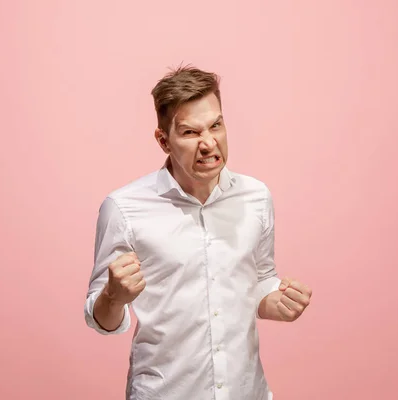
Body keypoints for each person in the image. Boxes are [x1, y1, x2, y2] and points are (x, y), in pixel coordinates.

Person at [84, 65, 312, 400]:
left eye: (216, 125)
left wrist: (275, 301)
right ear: (164, 141)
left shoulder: (256, 198)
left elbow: (261, 279)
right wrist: (113, 297)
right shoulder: (124, 208)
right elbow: (100, 318)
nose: (209, 143)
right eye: (191, 133)